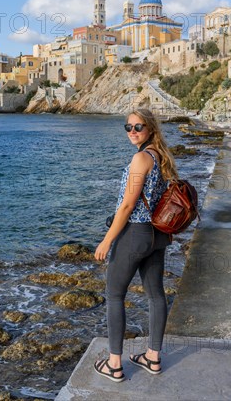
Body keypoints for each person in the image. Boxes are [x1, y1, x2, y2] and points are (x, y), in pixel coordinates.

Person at [94, 108, 178, 382]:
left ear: (150, 128)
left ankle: (114, 364)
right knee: (155, 295)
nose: (132, 132)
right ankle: (153, 358)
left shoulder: (141, 158)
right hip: (157, 236)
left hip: (134, 234)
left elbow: (128, 204)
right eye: (128, 127)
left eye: (138, 127)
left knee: (115, 295)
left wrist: (107, 240)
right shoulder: (163, 157)